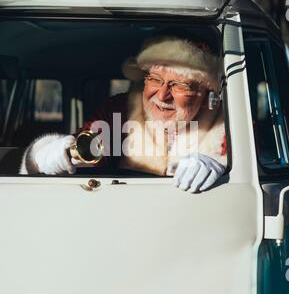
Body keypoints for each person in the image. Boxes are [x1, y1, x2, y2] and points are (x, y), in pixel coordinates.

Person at [20, 34, 227, 193]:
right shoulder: (120, 110)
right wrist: (49, 153)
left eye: (180, 84)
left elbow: (255, 155)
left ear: (205, 91)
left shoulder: (229, 122)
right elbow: (85, 147)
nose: (163, 95)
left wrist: (223, 165)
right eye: (155, 79)